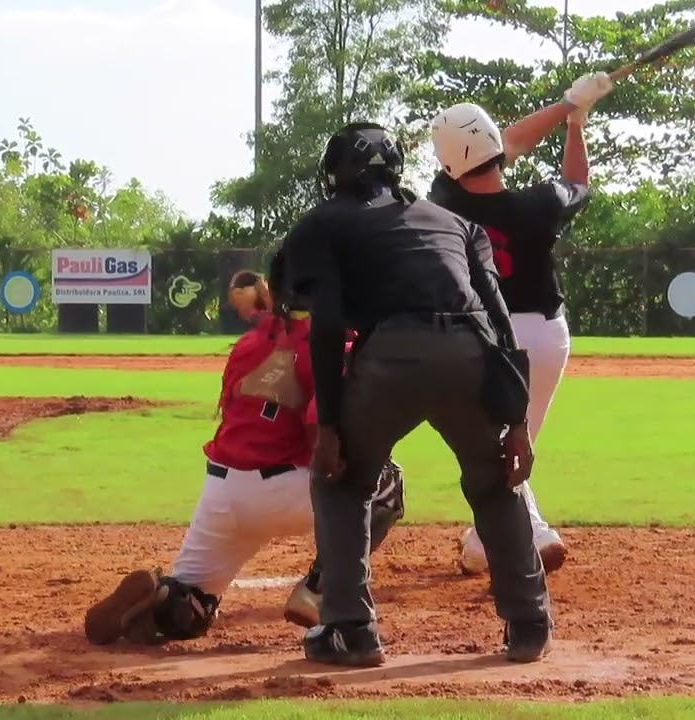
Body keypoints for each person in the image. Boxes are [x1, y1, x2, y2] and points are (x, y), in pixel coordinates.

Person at [281, 121, 543, 668]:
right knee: (495, 484)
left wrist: (329, 426)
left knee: (344, 483)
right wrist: (515, 421)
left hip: (393, 356)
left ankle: (351, 631)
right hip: (471, 353)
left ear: (338, 173)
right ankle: (529, 625)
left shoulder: (324, 223)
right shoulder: (456, 223)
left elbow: (326, 322)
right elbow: (499, 317)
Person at [82, 261, 405, 647]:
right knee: (387, 481)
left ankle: (164, 600)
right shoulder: (332, 344)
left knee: (193, 609)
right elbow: (321, 438)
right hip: (283, 489)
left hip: (221, 488)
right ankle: (319, 591)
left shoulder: (250, 343)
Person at [428, 72, 612, 576]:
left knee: (497, 443)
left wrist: (564, 105)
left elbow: (508, 141)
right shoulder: (540, 203)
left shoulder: (443, 202)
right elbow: (577, 182)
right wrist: (575, 121)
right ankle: (481, 544)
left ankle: (532, 532)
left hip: (484, 338)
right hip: (547, 338)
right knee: (513, 437)